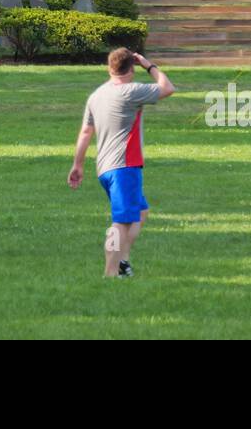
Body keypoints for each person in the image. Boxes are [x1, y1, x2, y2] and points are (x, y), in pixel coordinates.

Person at [68, 48, 174, 278]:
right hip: (124, 166)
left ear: (109, 67)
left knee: (141, 212)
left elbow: (86, 132)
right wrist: (150, 65)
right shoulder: (130, 91)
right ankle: (110, 273)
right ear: (132, 69)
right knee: (121, 223)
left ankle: (123, 262)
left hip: (105, 169)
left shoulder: (96, 95)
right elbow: (167, 88)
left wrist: (78, 165)